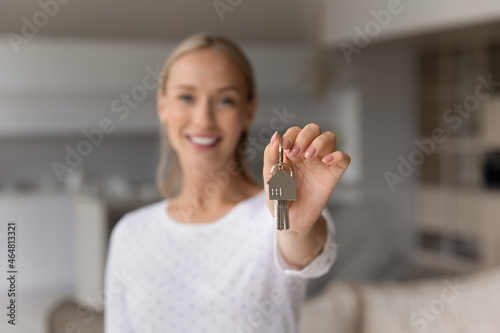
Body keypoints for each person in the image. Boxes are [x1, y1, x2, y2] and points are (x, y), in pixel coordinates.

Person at [104, 33, 351, 333]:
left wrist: (294, 226)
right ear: (163, 105)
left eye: (225, 100)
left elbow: (304, 250)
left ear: (248, 111)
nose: (204, 119)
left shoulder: (277, 216)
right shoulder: (131, 233)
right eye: (186, 97)